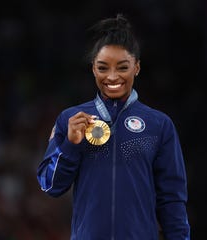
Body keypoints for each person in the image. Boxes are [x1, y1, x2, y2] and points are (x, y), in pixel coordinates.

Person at [36, 13, 191, 240]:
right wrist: (71, 145)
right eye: (103, 68)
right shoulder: (71, 120)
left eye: (122, 67)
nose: (112, 77)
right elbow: (50, 186)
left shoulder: (159, 125)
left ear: (136, 67)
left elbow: (172, 199)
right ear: (92, 69)